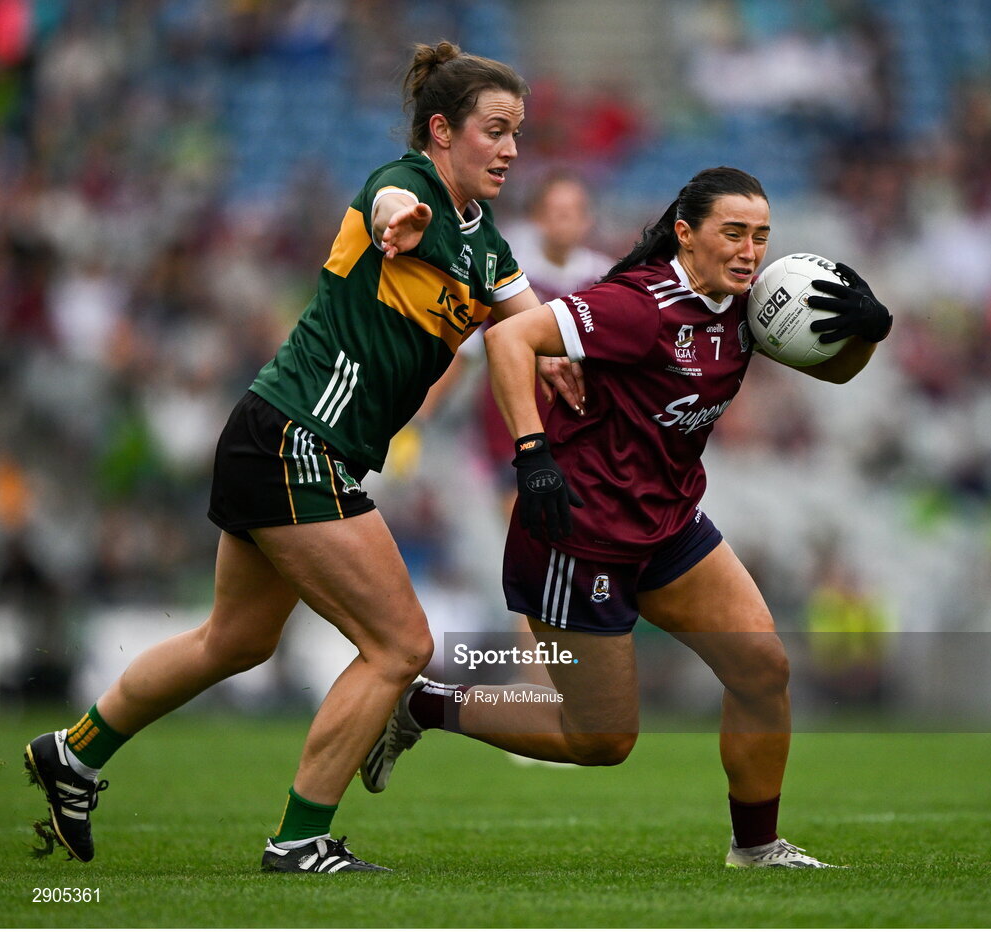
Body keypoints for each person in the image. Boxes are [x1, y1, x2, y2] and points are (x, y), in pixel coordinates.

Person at [23, 40, 580, 875]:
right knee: (400, 646)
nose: (509, 149)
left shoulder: (487, 245)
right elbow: (392, 201)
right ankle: (299, 839)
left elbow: (530, 325)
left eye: (518, 134)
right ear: (440, 130)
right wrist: (399, 220)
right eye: (494, 130)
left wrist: (561, 355)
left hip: (276, 439)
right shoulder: (408, 188)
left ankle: (74, 752)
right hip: (294, 441)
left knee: (234, 641)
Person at [361, 166, 893, 868]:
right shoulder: (642, 305)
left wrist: (867, 329)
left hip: (669, 527)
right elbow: (507, 341)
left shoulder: (749, 308)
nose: (749, 251)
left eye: (760, 236)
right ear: (684, 233)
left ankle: (757, 849)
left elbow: (837, 371)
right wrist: (531, 453)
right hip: (579, 535)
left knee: (763, 668)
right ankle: (423, 706)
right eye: (732, 233)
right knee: (602, 740)